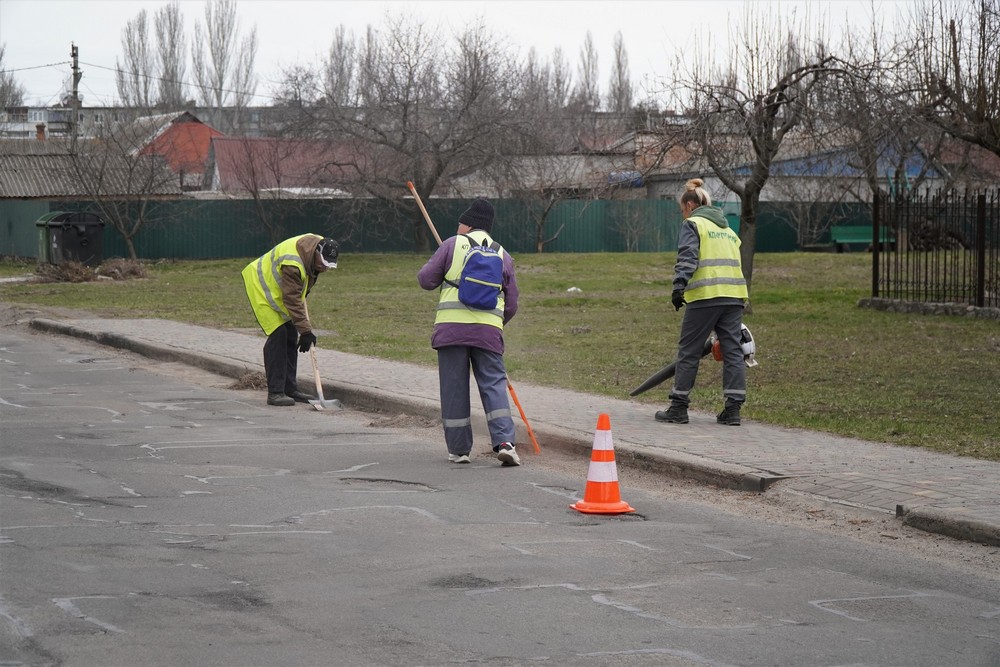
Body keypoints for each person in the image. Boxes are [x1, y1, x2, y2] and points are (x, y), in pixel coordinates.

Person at [417, 198, 521, 465]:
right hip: (488, 333)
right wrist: (495, 324)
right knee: (494, 385)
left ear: (468, 224)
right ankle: (506, 443)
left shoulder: (451, 245)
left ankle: (459, 450)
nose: (458, 226)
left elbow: (425, 280)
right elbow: (512, 304)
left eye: (460, 223)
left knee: (454, 388)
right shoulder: (503, 254)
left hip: (451, 331)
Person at [656, 178, 749, 426]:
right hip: (734, 296)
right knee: (733, 352)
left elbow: (688, 255)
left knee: (689, 351)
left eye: (681, 209)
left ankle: (678, 407)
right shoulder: (729, 231)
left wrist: (678, 287)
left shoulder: (693, 224)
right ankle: (733, 410)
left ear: (689, 205)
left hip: (706, 296)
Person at [241, 234, 340, 406]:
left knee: (291, 335)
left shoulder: (320, 245)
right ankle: (275, 392)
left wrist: (301, 328)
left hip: (279, 290)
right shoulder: (293, 264)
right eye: (323, 263)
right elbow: (292, 299)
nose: (325, 268)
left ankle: (289, 389)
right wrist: (307, 331)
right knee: (279, 335)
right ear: (317, 252)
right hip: (261, 288)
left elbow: (300, 290)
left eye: (328, 265)